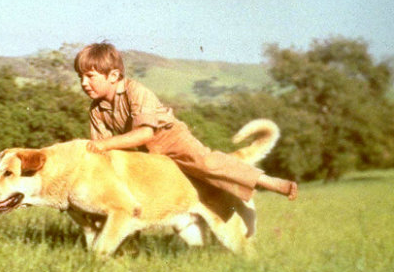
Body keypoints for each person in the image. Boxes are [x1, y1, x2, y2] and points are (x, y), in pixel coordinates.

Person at [74, 42, 297, 202]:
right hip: (146, 152)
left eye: (90, 76)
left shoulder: (136, 91)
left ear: (113, 76)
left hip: (170, 138)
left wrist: (104, 145)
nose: (84, 83)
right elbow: (101, 150)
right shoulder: (96, 110)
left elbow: (145, 134)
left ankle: (270, 183)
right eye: (80, 77)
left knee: (206, 164)